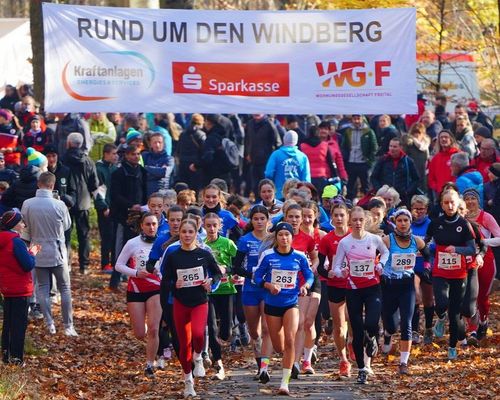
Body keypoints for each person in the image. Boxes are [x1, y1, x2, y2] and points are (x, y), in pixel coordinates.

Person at [160, 218, 222, 398]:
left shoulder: (204, 253)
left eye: (190, 232)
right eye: (184, 232)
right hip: (180, 303)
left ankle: (199, 356)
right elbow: (165, 280)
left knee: (198, 334)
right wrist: (174, 285)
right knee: (183, 344)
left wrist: (211, 281)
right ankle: (188, 381)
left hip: (200, 301)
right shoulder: (173, 255)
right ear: (179, 234)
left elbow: (217, 273)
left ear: (196, 234)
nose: (187, 235)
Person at [253, 222, 314, 396]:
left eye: (287, 235)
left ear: (291, 238)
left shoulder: (300, 256)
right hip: (272, 304)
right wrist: (268, 285)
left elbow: (309, 275)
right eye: (281, 235)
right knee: (279, 346)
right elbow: (257, 276)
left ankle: (284, 383)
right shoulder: (268, 255)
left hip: (291, 303)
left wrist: (305, 286)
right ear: (277, 237)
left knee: (289, 340)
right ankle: (275, 362)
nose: (284, 238)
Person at [332, 206, 389, 384]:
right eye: (354, 220)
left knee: (371, 323)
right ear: (350, 221)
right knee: (356, 331)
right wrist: (342, 271)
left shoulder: (374, 239)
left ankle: (372, 336)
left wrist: (381, 265)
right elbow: (335, 266)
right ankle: (362, 368)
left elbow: (386, 252)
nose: (357, 223)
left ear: (366, 221)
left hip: (372, 288)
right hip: (353, 290)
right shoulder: (345, 243)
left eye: (360, 220)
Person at [21, 172, 75, 336]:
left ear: (39, 184)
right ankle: (68, 325)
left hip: (37, 247)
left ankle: (50, 323)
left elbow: (25, 227)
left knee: (42, 287)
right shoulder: (59, 205)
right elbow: (66, 226)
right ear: (52, 185)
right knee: (64, 288)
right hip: (56, 248)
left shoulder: (28, 204)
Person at [425, 189, 476, 359]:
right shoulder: (435, 223)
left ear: (457, 203)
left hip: (459, 274)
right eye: (446, 202)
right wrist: (421, 252)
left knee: (455, 314)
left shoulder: (464, 224)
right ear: (442, 205)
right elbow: (424, 242)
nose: (450, 205)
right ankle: (440, 317)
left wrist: (457, 250)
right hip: (440, 270)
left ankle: (452, 347)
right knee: (440, 303)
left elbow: (471, 249)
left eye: (452, 202)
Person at [381, 208, 430, 375]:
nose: (403, 224)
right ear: (395, 222)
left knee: (407, 324)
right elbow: (374, 254)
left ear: (410, 222)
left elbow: (427, 254)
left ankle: (403, 362)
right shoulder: (387, 240)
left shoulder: (417, 241)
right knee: (391, 324)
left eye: (406, 221)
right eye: (400, 221)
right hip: (388, 285)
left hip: (406, 285)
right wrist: (377, 266)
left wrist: (427, 267)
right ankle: (388, 334)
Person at [115, 212, 162, 378]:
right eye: (148, 224)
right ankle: (150, 339)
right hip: (136, 289)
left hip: (156, 289)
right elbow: (118, 265)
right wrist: (135, 273)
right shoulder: (132, 243)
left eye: (154, 224)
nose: (151, 227)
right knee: (140, 333)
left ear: (158, 225)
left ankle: (150, 364)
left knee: (154, 329)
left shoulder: (163, 242)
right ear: (141, 225)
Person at [232, 206, 274, 382]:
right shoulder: (245, 240)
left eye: (262, 218)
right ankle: (259, 363)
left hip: (268, 288)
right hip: (250, 289)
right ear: (251, 221)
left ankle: (264, 367)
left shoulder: (274, 239)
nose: (259, 222)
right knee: (255, 332)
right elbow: (237, 268)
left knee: (266, 328)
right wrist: (253, 276)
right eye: (255, 219)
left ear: (267, 220)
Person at [317, 202, 352, 377]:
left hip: (355, 285)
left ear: (348, 216)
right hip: (335, 285)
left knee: (352, 320)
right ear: (331, 217)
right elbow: (321, 267)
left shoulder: (356, 236)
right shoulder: (327, 239)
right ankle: (343, 359)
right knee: (339, 326)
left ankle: (353, 342)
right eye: (335, 215)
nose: (338, 218)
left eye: (342, 215)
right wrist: (329, 273)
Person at [0, 210, 39, 365]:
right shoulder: (16, 241)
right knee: (19, 324)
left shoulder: (3, 239)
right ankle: (17, 359)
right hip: (20, 288)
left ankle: (6, 355)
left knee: (8, 323)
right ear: (14, 225)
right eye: (21, 222)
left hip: (6, 287)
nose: (24, 225)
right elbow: (27, 265)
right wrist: (32, 253)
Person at [203, 213, 237, 380]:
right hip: (208, 291)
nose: (211, 229)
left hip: (226, 288)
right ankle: (216, 360)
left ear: (219, 227)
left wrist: (227, 269)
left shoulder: (227, 243)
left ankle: (228, 336)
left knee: (225, 331)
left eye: (214, 225)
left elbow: (238, 264)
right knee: (211, 327)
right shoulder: (200, 245)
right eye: (208, 225)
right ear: (203, 226)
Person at [109, 144, 148, 290]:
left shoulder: (143, 172)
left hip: (139, 216)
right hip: (121, 216)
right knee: (120, 247)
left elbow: (145, 193)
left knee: (138, 247)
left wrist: (143, 207)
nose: (136, 157)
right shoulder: (118, 173)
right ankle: (115, 279)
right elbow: (115, 195)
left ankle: (135, 276)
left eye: (138, 154)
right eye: (133, 154)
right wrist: (130, 205)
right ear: (126, 155)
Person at [463, 188, 500, 341]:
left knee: (482, 298)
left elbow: (499, 237)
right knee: (468, 296)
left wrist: (482, 241)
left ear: (478, 200)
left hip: (485, 259)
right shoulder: (460, 217)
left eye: (473, 199)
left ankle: (483, 322)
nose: (470, 202)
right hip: (466, 260)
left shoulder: (486, 217)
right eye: (467, 199)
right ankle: (472, 330)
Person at [62, 132, 99, 274]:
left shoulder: (63, 159)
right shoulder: (88, 160)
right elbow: (94, 183)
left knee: (65, 234)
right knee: (84, 234)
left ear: (69, 143)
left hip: (66, 202)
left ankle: (66, 263)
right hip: (84, 202)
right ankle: (84, 265)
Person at [409, 195, 435, 345]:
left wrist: (424, 247)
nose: (418, 212)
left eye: (421, 209)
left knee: (428, 300)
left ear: (426, 210)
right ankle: (414, 330)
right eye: (415, 209)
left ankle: (429, 327)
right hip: (412, 267)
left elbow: (437, 245)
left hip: (427, 265)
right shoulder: (407, 223)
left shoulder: (431, 224)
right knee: (416, 298)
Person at [370, 138, 420, 207]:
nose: (392, 149)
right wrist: (380, 190)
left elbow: (416, 179)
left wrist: (407, 191)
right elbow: (373, 177)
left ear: (401, 147)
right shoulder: (383, 160)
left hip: (402, 199)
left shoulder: (408, 161)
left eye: (395, 147)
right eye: (390, 146)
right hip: (385, 198)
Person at [264, 130, 311, 200]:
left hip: (279, 194)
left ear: (284, 140)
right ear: (296, 141)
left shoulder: (276, 155)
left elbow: (269, 173)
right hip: (298, 196)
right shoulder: (302, 157)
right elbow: (306, 179)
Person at [340, 114, 378, 200]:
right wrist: (345, 159)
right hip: (351, 162)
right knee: (350, 186)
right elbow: (344, 146)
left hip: (363, 163)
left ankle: (367, 202)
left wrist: (369, 162)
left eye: (358, 118)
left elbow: (374, 148)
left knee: (366, 186)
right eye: (354, 119)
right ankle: (349, 203)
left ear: (362, 119)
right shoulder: (348, 131)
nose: (356, 121)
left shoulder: (368, 131)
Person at [244, 114, 282, 197]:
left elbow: (278, 143)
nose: (256, 113)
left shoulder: (269, 124)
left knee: (266, 185)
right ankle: (258, 203)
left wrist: (274, 158)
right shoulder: (250, 124)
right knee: (255, 185)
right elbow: (247, 140)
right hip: (253, 160)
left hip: (266, 161)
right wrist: (247, 153)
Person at [94, 143, 118, 273]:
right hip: (104, 208)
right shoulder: (99, 169)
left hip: (115, 208)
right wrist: (103, 207)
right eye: (113, 154)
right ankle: (105, 263)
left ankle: (115, 262)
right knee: (107, 236)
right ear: (106, 154)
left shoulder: (115, 168)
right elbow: (97, 191)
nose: (116, 156)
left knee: (115, 236)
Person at [300, 125, 337, 193]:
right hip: (321, 177)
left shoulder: (302, 146)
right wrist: (335, 175)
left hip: (308, 177)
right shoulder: (324, 145)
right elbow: (330, 162)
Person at [428, 130, 460, 201]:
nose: (443, 139)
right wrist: (437, 188)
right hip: (439, 195)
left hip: (455, 193)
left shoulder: (458, 154)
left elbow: (463, 173)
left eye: (446, 137)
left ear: (451, 139)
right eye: (441, 137)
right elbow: (431, 178)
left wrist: (451, 187)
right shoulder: (435, 158)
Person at [176, 114, 205, 192]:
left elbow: (178, 150)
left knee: (183, 189)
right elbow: (203, 152)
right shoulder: (201, 135)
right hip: (195, 166)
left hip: (183, 164)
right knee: (194, 190)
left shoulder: (183, 134)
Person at [142, 131, 175, 196]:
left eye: (160, 142)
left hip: (162, 194)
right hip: (146, 193)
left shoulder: (169, 159)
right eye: (155, 142)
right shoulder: (145, 156)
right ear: (150, 144)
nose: (157, 145)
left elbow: (163, 173)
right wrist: (157, 170)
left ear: (163, 144)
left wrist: (146, 167)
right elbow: (141, 172)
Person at [402, 123, 431, 194]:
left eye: (419, 132)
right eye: (414, 132)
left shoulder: (425, 145)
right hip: (410, 175)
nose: (416, 135)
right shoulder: (408, 144)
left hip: (423, 174)